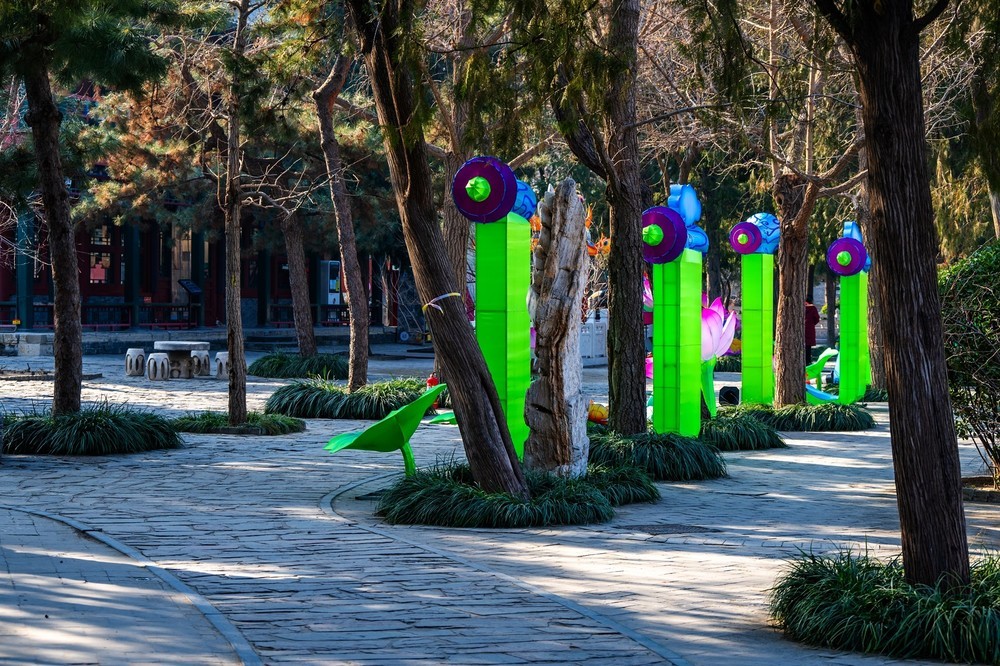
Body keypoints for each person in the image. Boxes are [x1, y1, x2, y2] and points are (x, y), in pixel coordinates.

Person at [805, 295, 820, 363]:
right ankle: (808, 361)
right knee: (808, 347)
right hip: (810, 329)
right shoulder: (813, 308)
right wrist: (811, 324)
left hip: (802, 330)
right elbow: (816, 319)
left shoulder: (800, 308)